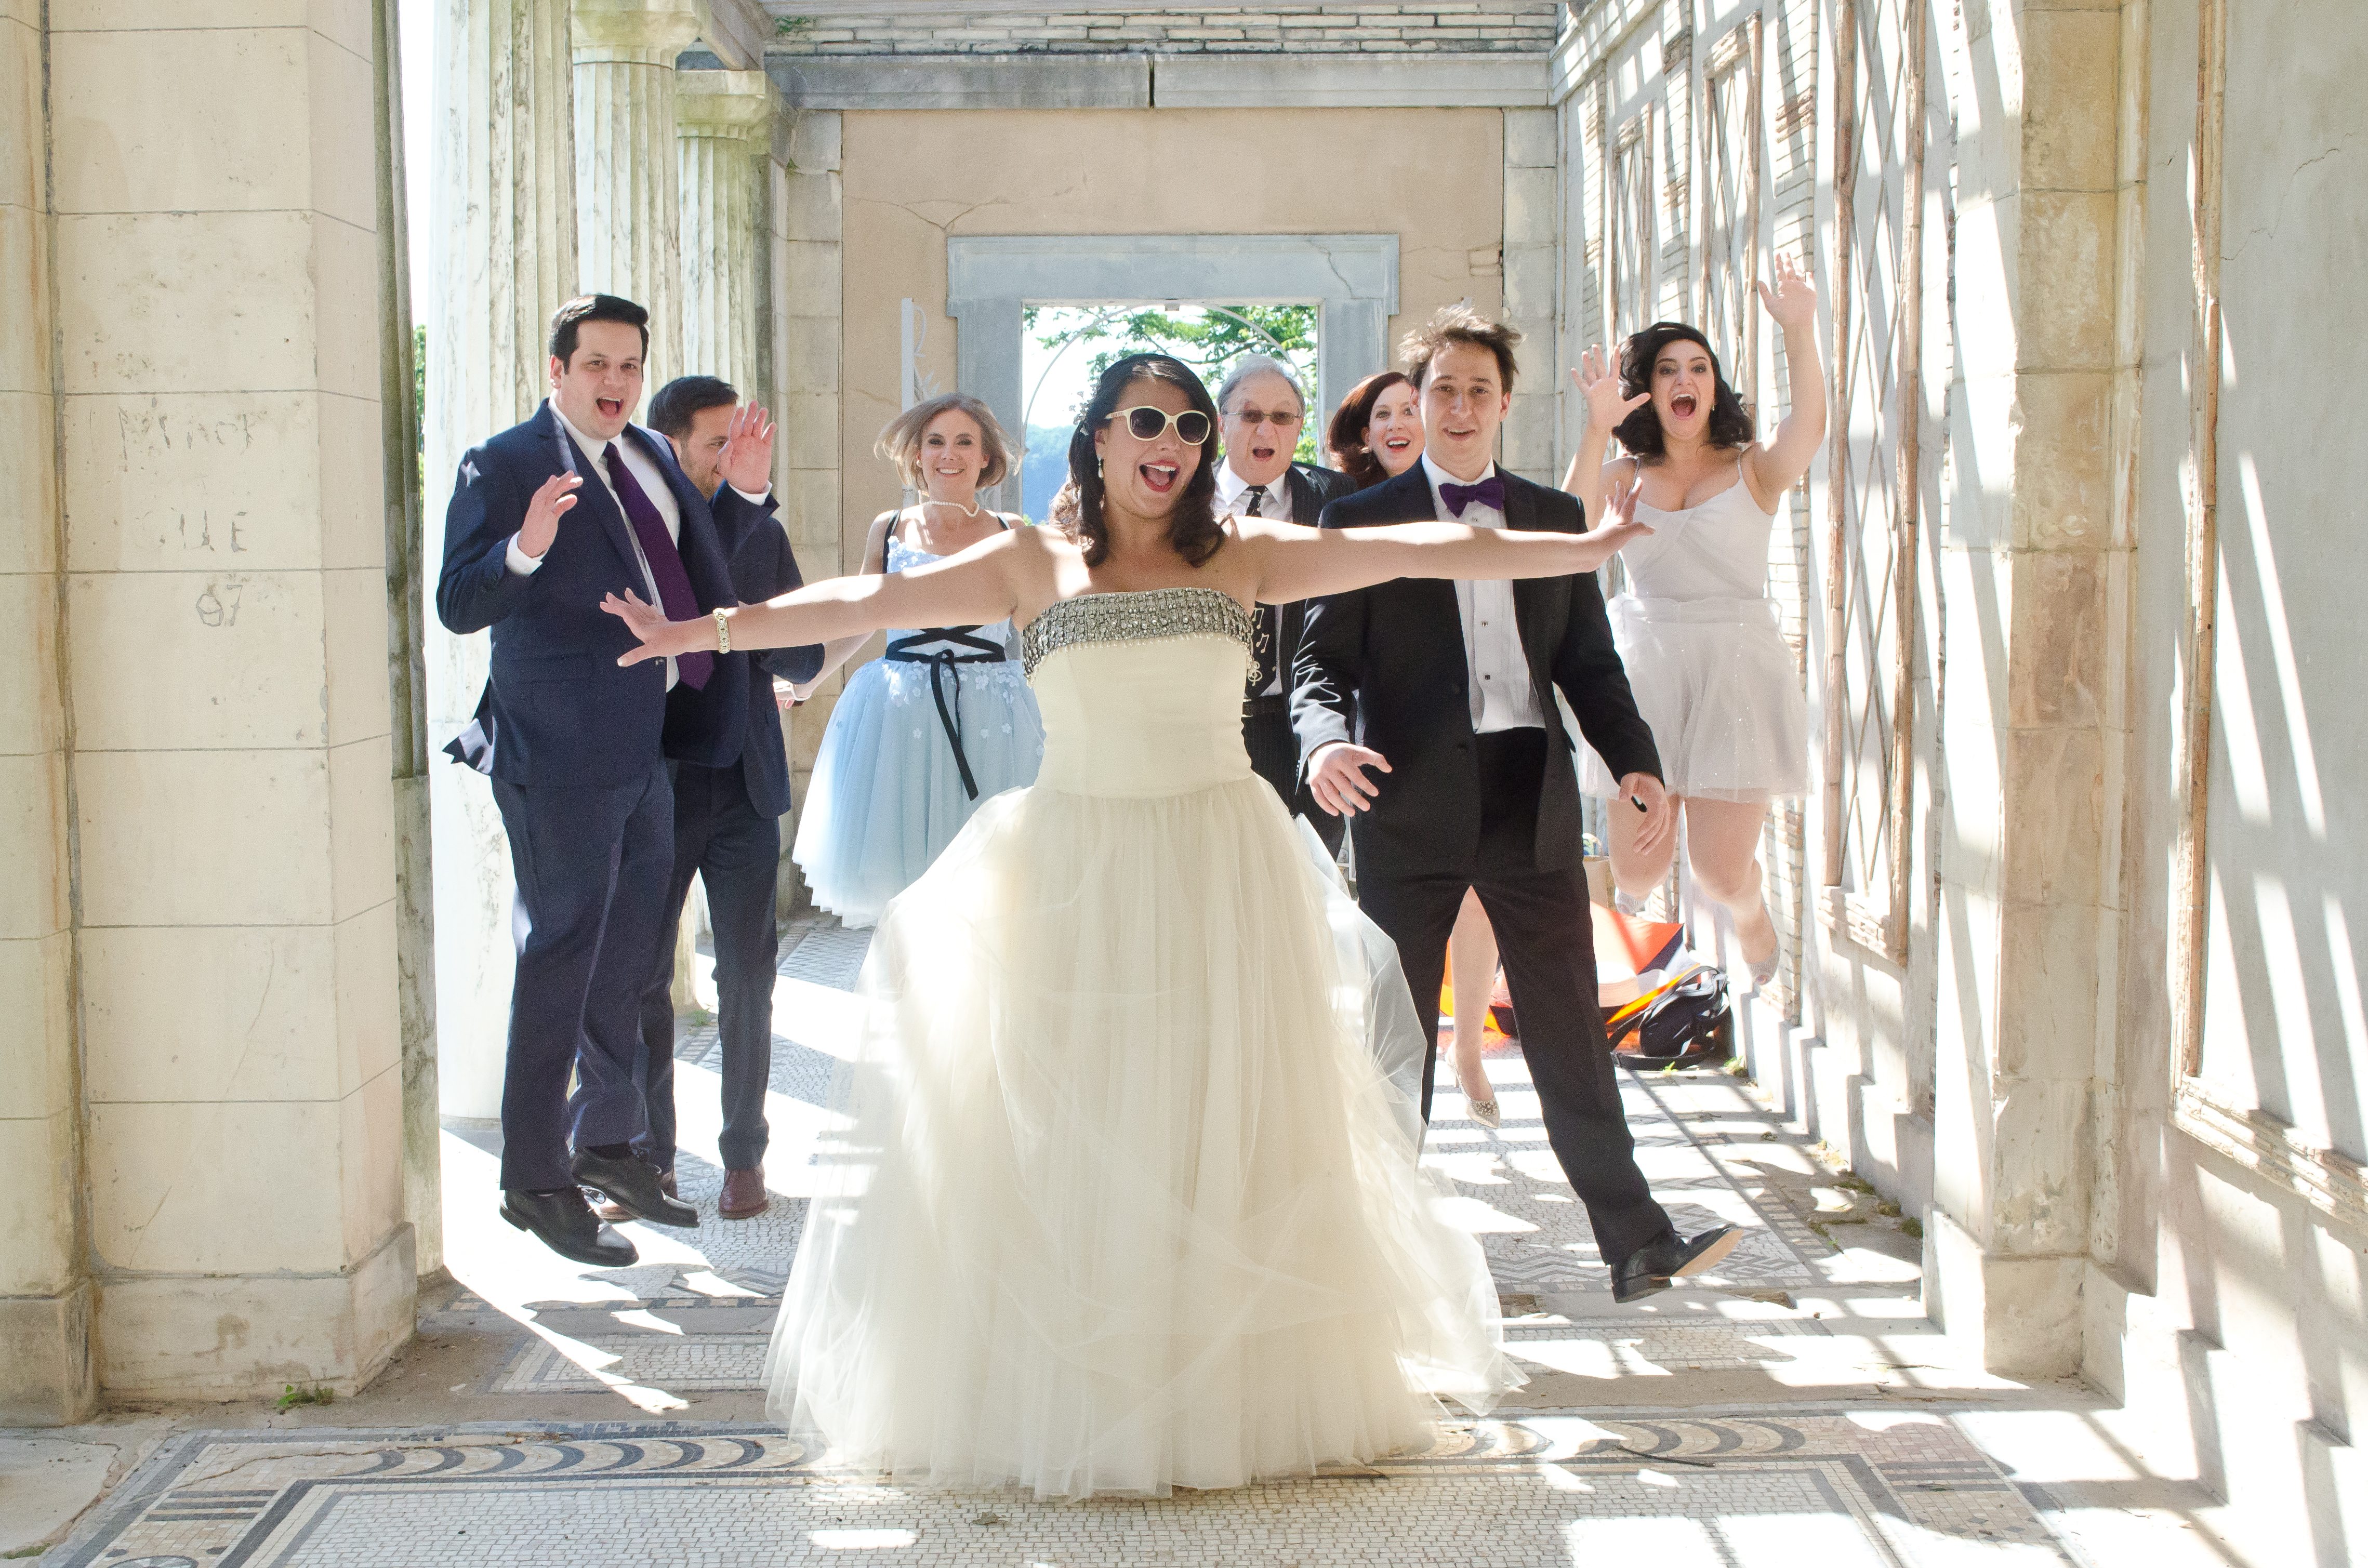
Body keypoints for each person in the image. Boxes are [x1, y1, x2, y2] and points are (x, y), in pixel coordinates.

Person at [601, 352, 1657, 1499]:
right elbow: (863, 604)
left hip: (1221, 867)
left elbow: (1424, 547)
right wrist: (698, 633)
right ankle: (1083, 1385)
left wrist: (1583, 550)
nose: (1173, 439)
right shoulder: (1026, 561)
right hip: (1076, 869)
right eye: (1146, 418)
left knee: (1223, 1116)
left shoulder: (1244, 554)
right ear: (1097, 436)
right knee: (1083, 1120)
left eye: (1190, 423)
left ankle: (1229, 1389)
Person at [1293, 304, 1739, 1305]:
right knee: (1393, 1035)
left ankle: (1637, 1240)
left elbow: (1587, 659)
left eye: (1477, 391)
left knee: (1569, 1027)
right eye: (1440, 389)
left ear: (1504, 403)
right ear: (1415, 401)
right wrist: (1323, 743)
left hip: (1527, 794)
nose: (1458, 407)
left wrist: (1636, 761)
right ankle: (1366, 1253)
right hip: (1405, 799)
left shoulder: (1552, 516)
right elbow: (1317, 664)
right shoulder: (1359, 520)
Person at [436, 294, 756, 1265]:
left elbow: (698, 572)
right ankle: (534, 1177)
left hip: (646, 745)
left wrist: (741, 495)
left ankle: (610, 1143)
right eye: (596, 365)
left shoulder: (654, 457)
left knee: (629, 957)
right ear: (557, 370)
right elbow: (458, 601)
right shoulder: (504, 463)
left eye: (629, 364)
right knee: (561, 956)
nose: (614, 381)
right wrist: (525, 546)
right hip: (556, 750)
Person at [1563, 255, 1825, 990]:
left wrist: (1799, 333)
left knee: (1715, 867)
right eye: (1669, 369)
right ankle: (1625, 970)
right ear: (1647, 389)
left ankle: (1750, 911)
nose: (1686, 380)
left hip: (1735, 667)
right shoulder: (1621, 474)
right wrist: (1594, 430)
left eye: (1699, 367)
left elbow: (1808, 425)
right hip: (1645, 666)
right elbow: (1569, 530)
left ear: (1714, 387)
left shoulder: (1753, 469)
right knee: (1639, 865)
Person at [599, 375, 823, 1226]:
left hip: (744, 788)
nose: (739, 457)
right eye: (719, 445)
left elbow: (800, 656)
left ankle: (743, 1159)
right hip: (650, 787)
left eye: (746, 443)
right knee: (643, 978)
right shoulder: (624, 527)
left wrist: (750, 503)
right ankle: (650, 1159)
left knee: (749, 979)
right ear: (669, 448)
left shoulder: (757, 523)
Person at [787, 393, 1044, 925]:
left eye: (964, 442)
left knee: (990, 886)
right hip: (899, 714)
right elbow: (858, 614)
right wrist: (808, 681)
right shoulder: (888, 527)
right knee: (904, 886)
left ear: (985, 458)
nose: (948, 454)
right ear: (918, 456)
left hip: (992, 717)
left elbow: (1037, 625)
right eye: (935, 442)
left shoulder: (1012, 531)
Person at [1329, 369, 1504, 1126]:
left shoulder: (1489, 506)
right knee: (1399, 942)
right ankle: (1403, 1090)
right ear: (1365, 434)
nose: (1401, 422)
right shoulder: (1351, 516)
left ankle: (1467, 1042)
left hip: (1488, 751)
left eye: (1412, 407)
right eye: (1386, 413)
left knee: (1477, 904)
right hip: (1389, 750)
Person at [1212, 354, 1354, 851]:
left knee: (1305, 891)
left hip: (1300, 726)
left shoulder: (1336, 499)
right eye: (1250, 415)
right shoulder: (1179, 502)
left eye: (1281, 417)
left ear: (1298, 428)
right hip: (1208, 728)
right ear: (1220, 423)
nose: (1265, 429)